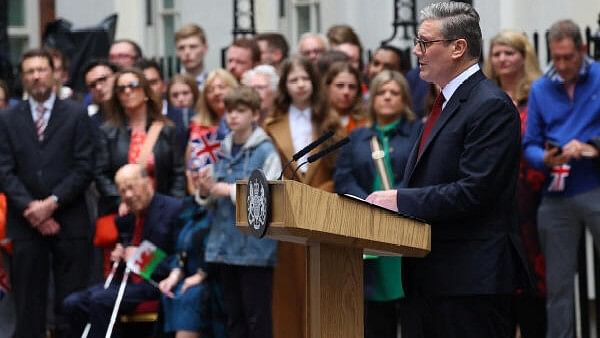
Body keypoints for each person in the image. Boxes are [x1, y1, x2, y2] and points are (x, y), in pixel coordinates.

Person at [366, 3, 528, 337]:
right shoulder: (442, 103)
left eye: (425, 43)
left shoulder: (490, 105)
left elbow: (475, 191)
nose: (416, 51)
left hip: (470, 281)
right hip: (431, 278)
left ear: (458, 48)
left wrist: (400, 200)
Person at [0, 48, 95, 338]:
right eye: (30, 71)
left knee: (71, 303)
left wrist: (52, 204)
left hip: (69, 219)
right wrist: (33, 209)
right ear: (22, 79)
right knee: (29, 304)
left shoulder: (76, 114)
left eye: (41, 69)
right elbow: (4, 169)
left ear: (54, 74)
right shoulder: (7, 118)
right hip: (25, 221)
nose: (36, 76)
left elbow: (84, 166)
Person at [523, 19, 600, 338]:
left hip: (594, 184)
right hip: (556, 191)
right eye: (557, 58)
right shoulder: (541, 88)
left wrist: (594, 146)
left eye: (569, 57)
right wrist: (545, 158)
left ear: (582, 49)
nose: (563, 65)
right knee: (558, 285)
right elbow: (529, 144)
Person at [334, 70, 422, 338]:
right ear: (371, 99)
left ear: (405, 99)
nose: (387, 97)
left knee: (411, 308)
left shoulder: (418, 133)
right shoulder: (356, 138)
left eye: (394, 93)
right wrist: (369, 203)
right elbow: (343, 179)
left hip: (407, 227)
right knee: (375, 316)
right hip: (367, 230)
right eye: (381, 93)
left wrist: (397, 200)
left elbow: (424, 173)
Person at [264, 56, 341, 338]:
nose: (300, 85)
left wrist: (322, 195)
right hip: (289, 218)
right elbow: (268, 170)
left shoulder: (329, 120)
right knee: (288, 292)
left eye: (305, 79)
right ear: (284, 85)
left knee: (324, 289)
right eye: (293, 80)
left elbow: (340, 167)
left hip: (324, 214)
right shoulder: (271, 125)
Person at [197, 86, 282, 338]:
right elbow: (208, 199)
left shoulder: (266, 150)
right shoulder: (220, 149)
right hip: (224, 246)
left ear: (255, 114)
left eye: (241, 111)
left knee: (257, 318)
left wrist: (227, 190)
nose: (233, 116)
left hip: (254, 250)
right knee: (233, 318)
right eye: (229, 111)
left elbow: (269, 198)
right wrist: (204, 189)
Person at [63, 163, 183, 338]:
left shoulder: (172, 209)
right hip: (126, 283)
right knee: (72, 303)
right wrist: (119, 255)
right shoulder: (126, 218)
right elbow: (124, 259)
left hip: (155, 283)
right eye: (122, 190)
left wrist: (141, 257)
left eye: (132, 188)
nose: (128, 195)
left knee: (101, 300)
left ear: (148, 182)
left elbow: (179, 259)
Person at [484, 31, 546, 337]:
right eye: (497, 54)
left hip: (529, 196)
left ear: (524, 57)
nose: (502, 59)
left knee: (533, 279)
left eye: (509, 53)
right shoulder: (482, 95)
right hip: (492, 196)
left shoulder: (537, 94)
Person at [95, 67, 185, 218]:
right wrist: (121, 201)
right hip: (125, 212)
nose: (127, 91)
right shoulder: (108, 132)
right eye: (121, 89)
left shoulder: (166, 129)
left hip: (162, 211)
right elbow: (101, 174)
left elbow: (178, 174)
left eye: (133, 85)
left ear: (145, 92)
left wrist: (173, 206)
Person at [319, 61, 368, 133]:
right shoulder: (317, 120)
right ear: (327, 88)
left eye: (352, 87)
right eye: (340, 85)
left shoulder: (366, 122)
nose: (346, 92)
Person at [193, 69, 240, 140]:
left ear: (233, 89)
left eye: (221, 87)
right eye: (210, 90)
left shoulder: (244, 121)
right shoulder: (198, 125)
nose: (216, 93)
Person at [166, 74, 200, 152]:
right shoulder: (164, 124)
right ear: (169, 99)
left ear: (194, 94)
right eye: (175, 95)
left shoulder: (205, 119)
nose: (180, 99)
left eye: (185, 93)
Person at [83, 59, 118, 128]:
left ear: (116, 76)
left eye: (102, 79)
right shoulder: (91, 124)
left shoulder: (135, 110)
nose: (98, 87)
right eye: (92, 85)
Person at [175, 24, 209, 89]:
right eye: (181, 48)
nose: (187, 52)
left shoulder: (215, 86)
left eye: (193, 47)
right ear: (177, 52)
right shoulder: (170, 89)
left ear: (205, 48)